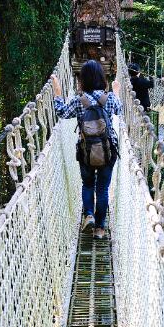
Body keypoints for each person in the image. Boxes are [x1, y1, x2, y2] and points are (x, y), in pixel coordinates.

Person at [52, 60, 122, 239]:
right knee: (103, 189)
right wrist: (117, 91)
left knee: (88, 184)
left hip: (86, 151)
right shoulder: (110, 98)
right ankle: (100, 228)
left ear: (82, 80)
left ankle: (89, 214)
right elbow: (119, 110)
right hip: (108, 151)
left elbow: (61, 112)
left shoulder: (78, 100)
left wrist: (58, 93)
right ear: (102, 78)